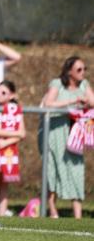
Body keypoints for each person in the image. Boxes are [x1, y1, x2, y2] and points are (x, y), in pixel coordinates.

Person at [40, 56, 93, 219]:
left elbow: (92, 100)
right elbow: (48, 103)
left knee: (76, 170)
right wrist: (74, 100)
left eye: (84, 69)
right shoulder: (57, 84)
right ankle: (52, 211)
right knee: (52, 171)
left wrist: (86, 100)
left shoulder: (84, 84)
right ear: (69, 71)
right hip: (54, 134)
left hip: (74, 135)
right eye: (79, 70)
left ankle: (78, 216)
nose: (82, 72)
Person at [0, 80, 25, 217]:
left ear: (12, 95)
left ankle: (2, 214)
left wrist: (6, 142)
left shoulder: (16, 110)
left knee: (4, 182)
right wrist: (15, 135)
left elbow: (23, 133)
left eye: (3, 92)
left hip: (8, 151)